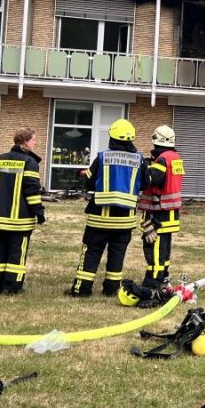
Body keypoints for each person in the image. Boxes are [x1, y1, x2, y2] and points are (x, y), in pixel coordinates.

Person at [68, 119, 146, 297]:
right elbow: (146, 184)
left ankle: (82, 289)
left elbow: (88, 182)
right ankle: (111, 290)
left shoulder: (103, 157)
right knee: (117, 255)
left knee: (92, 252)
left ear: (112, 137)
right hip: (124, 220)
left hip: (99, 218)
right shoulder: (139, 160)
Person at [0, 127, 45, 294]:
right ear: (25, 141)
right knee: (16, 254)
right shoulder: (29, 162)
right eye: (34, 139)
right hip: (20, 220)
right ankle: (13, 287)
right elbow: (32, 191)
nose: (35, 142)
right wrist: (39, 213)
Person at [137, 125, 184, 288]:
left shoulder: (163, 159)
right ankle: (163, 275)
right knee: (164, 246)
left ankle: (153, 280)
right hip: (171, 212)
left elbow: (153, 178)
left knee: (154, 247)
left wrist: (142, 168)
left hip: (159, 211)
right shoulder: (175, 157)